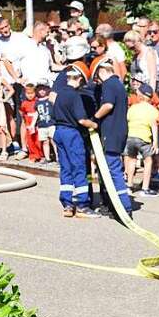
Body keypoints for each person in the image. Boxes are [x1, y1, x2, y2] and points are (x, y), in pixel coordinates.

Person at [53, 61, 99, 217]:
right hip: (72, 134)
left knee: (66, 169)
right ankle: (82, 205)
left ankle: (67, 204)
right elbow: (81, 120)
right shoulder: (75, 96)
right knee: (79, 168)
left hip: (59, 132)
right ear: (79, 79)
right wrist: (94, 124)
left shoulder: (60, 95)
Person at [92, 56, 133, 217]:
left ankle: (124, 207)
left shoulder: (109, 84)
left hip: (111, 133)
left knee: (113, 169)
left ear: (102, 72)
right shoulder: (119, 85)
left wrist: (94, 118)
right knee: (110, 169)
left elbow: (108, 105)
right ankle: (113, 204)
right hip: (120, 131)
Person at [125, 84, 159, 195]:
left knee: (131, 160)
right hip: (144, 139)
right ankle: (145, 188)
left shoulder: (133, 108)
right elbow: (154, 126)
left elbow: (128, 120)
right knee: (148, 161)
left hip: (130, 137)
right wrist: (155, 142)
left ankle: (129, 185)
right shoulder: (153, 110)